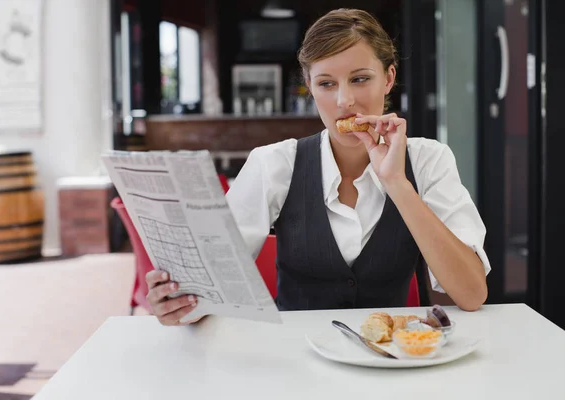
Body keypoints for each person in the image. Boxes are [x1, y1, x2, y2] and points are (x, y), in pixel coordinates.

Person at [146, 8, 491, 326]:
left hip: (394, 360)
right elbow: (212, 283)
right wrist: (177, 303)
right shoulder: (274, 164)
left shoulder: (428, 160)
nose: (344, 101)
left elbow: (471, 295)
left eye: (359, 79)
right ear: (309, 87)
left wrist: (397, 183)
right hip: (297, 364)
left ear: (388, 79)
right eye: (327, 83)